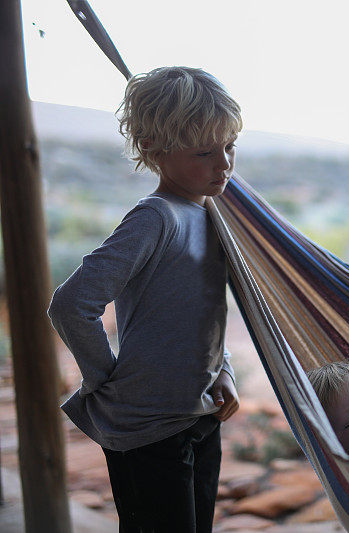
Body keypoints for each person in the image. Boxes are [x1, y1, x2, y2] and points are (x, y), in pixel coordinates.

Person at [48, 66, 242, 533]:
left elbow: (203, 314)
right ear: (154, 148)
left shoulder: (212, 212)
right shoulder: (156, 218)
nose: (224, 164)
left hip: (199, 413)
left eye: (229, 146)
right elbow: (72, 304)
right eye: (204, 152)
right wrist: (106, 378)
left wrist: (225, 371)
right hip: (146, 427)